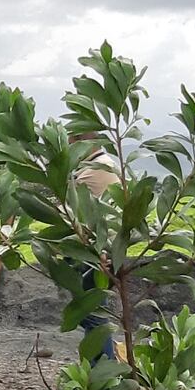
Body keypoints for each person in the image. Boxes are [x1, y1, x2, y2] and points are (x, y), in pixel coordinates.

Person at [72, 133, 120, 361]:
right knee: (94, 314)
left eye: (72, 143)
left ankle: (103, 376)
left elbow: (68, 212)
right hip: (107, 250)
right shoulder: (108, 165)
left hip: (95, 254)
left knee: (93, 316)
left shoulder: (92, 172)